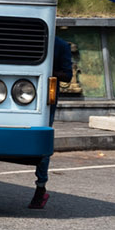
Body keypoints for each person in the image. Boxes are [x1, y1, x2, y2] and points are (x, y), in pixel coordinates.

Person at [30, 35, 75, 209]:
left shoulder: (60, 45)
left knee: (43, 146)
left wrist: (46, 69)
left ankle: (41, 188)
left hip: (45, 101)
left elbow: (67, 76)